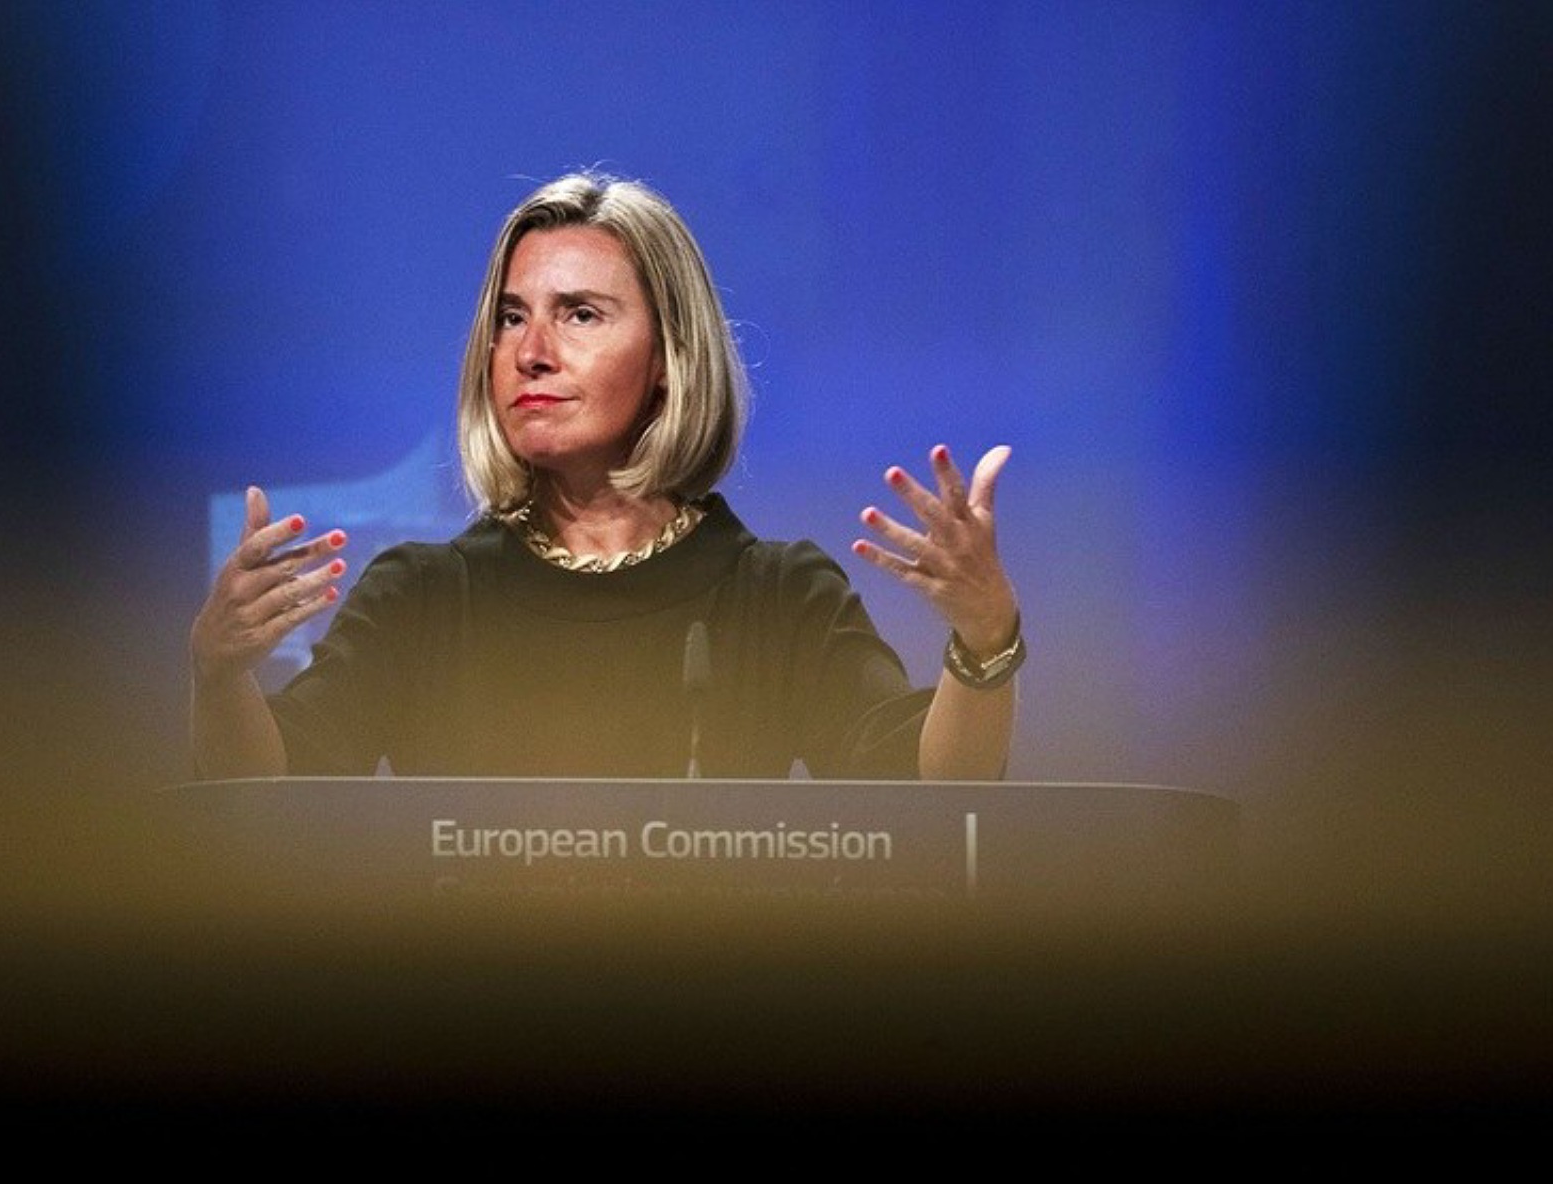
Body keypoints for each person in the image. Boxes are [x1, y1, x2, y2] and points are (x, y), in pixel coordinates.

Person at [189, 172, 1022, 781]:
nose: (530, 352)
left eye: (580, 314)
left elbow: (926, 793)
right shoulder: (423, 599)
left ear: (669, 358)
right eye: (511, 317)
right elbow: (271, 798)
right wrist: (220, 677)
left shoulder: (776, 598)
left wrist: (985, 640)